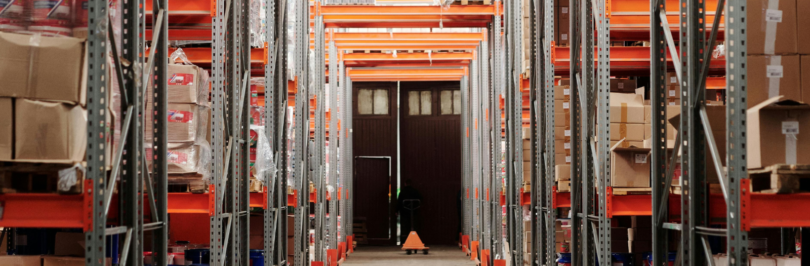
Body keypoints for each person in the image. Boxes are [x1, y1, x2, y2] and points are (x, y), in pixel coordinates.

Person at [398, 179, 422, 244]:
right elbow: (420, 199)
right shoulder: (415, 191)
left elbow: (399, 202)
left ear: (405, 183)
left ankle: (404, 241)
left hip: (404, 211)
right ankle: (414, 240)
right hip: (414, 211)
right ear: (410, 183)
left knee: (405, 226)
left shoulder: (402, 192)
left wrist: (396, 211)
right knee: (414, 225)